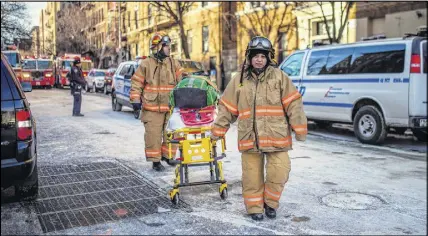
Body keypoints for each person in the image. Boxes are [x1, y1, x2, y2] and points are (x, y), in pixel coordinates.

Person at [211, 36, 307, 221]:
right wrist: (217, 131)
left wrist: (300, 128)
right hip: (250, 138)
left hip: (276, 137)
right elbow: (227, 108)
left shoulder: (280, 77)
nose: (259, 59)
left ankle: (270, 204)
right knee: (251, 176)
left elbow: (293, 103)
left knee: (279, 171)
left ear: (269, 57)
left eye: (263, 56)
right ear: (249, 57)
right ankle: (254, 207)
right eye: (255, 55)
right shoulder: (238, 80)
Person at [129, 31, 185, 172]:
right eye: (165, 45)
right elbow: (136, 83)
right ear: (157, 47)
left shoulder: (173, 63)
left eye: (168, 45)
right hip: (151, 108)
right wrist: (135, 101)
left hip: (170, 108)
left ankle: (168, 156)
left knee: (172, 133)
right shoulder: (146, 64)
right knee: (153, 136)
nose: (168, 48)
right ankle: (155, 161)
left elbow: (182, 81)